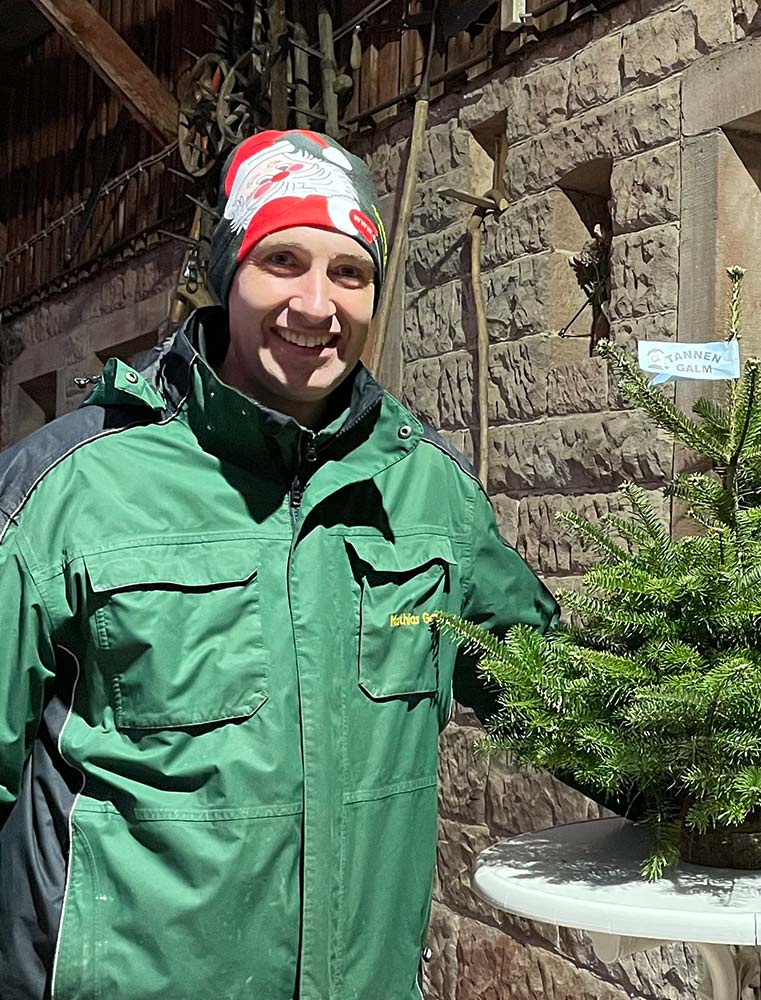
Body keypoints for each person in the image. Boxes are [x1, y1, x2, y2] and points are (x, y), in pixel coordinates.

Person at [0, 130, 557, 999]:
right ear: (228, 278)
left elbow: (559, 691)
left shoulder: (426, 493)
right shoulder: (71, 487)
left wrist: (740, 771)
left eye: (349, 273)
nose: (316, 303)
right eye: (283, 260)